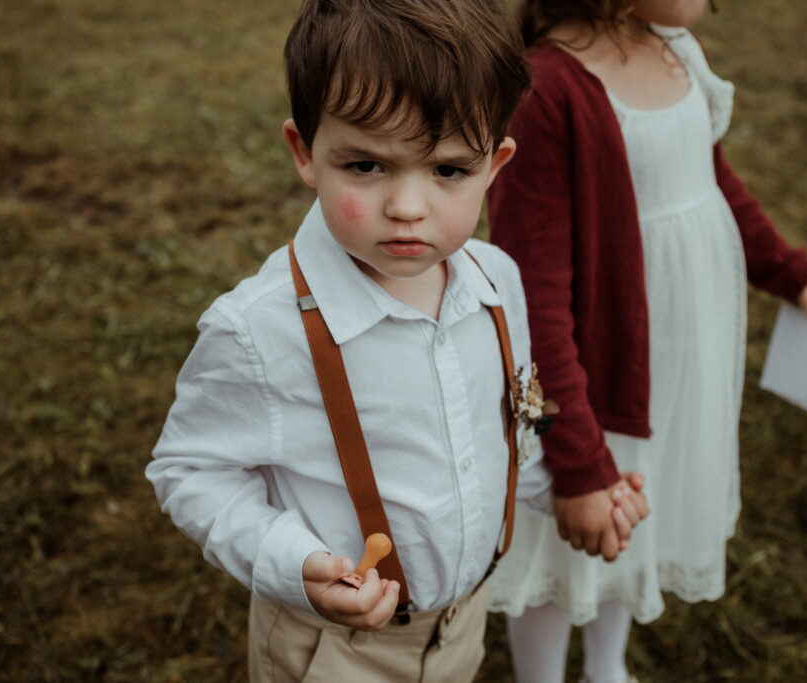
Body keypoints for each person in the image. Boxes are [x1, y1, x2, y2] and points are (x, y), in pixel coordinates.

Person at [144, 1, 649, 681]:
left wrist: (564, 485)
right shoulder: (260, 332)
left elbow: (500, 430)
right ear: (305, 153)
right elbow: (188, 471)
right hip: (332, 650)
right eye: (366, 166)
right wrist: (292, 561)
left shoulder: (497, 284)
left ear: (495, 164)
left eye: (448, 171)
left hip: (462, 622)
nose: (408, 206)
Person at [485, 1, 807, 681]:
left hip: (682, 348)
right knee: (575, 528)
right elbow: (532, 295)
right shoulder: (547, 89)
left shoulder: (673, 48)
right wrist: (578, 460)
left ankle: (608, 667)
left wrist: (786, 268)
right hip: (598, 370)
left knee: (645, 504)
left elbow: (714, 181)